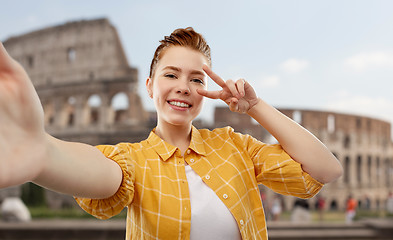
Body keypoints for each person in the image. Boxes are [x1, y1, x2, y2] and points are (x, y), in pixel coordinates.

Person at [0, 27, 343, 239]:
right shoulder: (135, 161)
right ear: (149, 86)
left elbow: (326, 170)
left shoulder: (236, 146)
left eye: (196, 79)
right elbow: (101, 171)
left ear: (206, 91)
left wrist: (254, 106)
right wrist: (44, 154)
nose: (183, 87)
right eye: (171, 75)